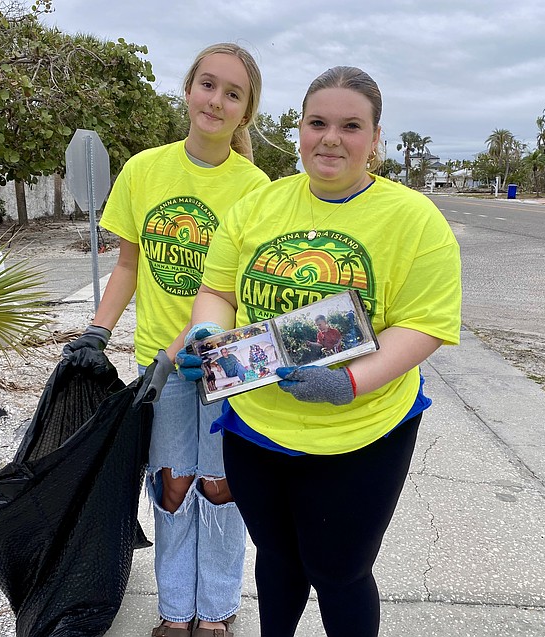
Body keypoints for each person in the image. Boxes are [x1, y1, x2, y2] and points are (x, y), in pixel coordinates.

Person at [177, 66, 461, 637]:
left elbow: (425, 325)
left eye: (351, 126)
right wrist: (206, 338)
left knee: (340, 572)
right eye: (318, 123)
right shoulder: (258, 206)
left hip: (363, 433)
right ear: (299, 129)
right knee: (277, 560)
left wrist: (351, 382)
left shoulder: (415, 220)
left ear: (376, 139)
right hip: (257, 426)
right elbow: (218, 291)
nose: (331, 138)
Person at [63, 43, 269, 637]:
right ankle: (176, 614)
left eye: (233, 93)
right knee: (173, 487)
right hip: (163, 368)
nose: (217, 100)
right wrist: (97, 331)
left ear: (245, 112)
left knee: (222, 488)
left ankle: (217, 614)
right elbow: (126, 267)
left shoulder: (257, 188)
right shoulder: (144, 170)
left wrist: (195, 342)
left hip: (229, 368)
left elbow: (241, 290)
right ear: (188, 90)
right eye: (208, 85)